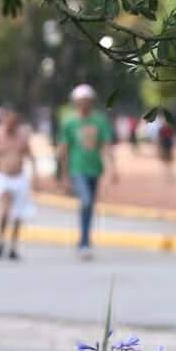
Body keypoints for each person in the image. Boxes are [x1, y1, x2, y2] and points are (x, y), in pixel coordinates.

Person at [60, 84, 116, 259]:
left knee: (90, 205)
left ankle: (84, 238)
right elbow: (64, 149)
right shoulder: (69, 122)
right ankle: (84, 242)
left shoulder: (99, 121)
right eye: (80, 101)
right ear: (75, 102)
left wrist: (112, 168)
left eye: (87, 101)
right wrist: (64, 175)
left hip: (95, 168)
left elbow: (106, 146)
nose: (84, 104)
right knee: (86, 201)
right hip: (77, 168)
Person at [0, 110, 37, 260]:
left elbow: (31, 157)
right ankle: (0, 240)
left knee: (18, 214)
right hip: (2, 178)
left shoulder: (22, 137)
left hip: (19, 178)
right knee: (5, 212)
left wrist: (35, 177)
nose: (10, 126)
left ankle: (13, 246)